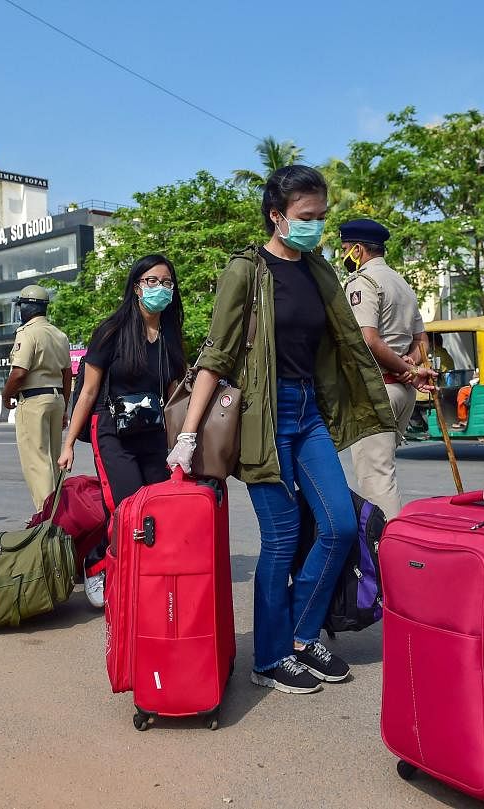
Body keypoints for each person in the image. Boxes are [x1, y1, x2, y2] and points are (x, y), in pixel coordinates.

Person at [169, 166, 397, 694]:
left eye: (321, 217)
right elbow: (217, 354)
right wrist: (187, 436)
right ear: (277, 216)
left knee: (340, 525)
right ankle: (270, 656)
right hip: (260, 418)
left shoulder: (318, 272)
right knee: (282, 538)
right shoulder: (246, 271)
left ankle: (300, 634)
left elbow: (343, 343)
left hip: (308, 411)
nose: (316, 226)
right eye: (306, 217)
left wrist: (403, 371)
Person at [58, 255, 187, 608]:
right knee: (126, 507)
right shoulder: (112, 331)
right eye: (152, 281)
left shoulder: (171, 335)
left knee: (157, 506)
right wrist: (68, 444)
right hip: (112, 430)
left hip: (152, 432)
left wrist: (185, 440)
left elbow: (177, 393)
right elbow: (87, 391)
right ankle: (96, 563)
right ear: (136, 287)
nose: (160, 288)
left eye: (166, 282)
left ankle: (144, 574)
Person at [339, 218, 434, 518]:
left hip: (376, 391)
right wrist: (411, 367)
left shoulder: (363, 282)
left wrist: (406, 370)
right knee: (384, 472)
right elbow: (421, 342)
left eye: (343, 249)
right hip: (401, 392)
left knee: (376, 481)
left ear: (357, 250)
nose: (342, 256)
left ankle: (384, 554)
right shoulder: (401, 283)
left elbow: (368, 340)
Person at [3, 285, 73, 511]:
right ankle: (59, 512)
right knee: (52, 461)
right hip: (55, 399)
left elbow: (19, 372)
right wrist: (63, 408)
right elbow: (67, 373)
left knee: (37, 463)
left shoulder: (27, 332)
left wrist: (6, 395)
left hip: (33, 401)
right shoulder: (58, 334)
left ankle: (46, 519)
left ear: (26, 306)